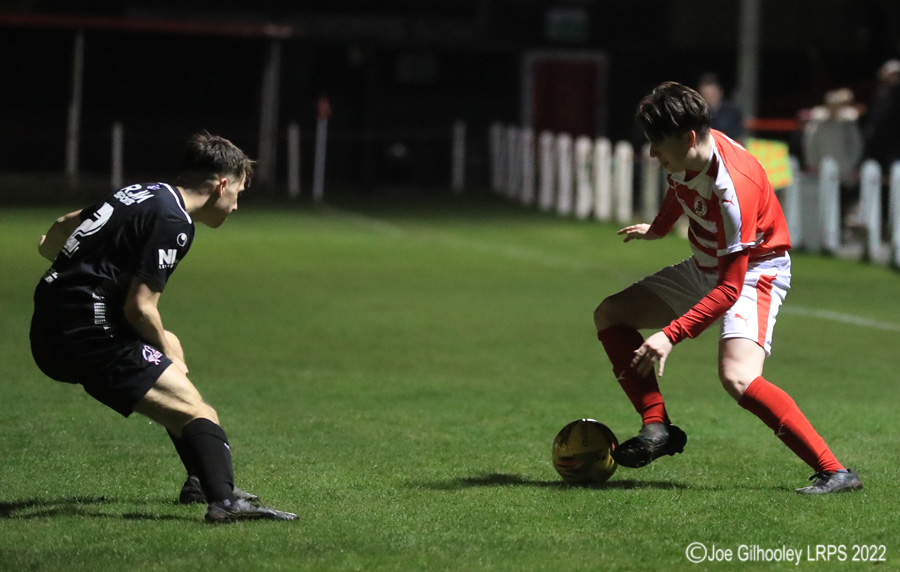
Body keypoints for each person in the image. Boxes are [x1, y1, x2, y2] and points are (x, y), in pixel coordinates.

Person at [593, 82, 862, 494]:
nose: (651, 154)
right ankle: (657, 427)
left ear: (688, 137)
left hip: (755, 272)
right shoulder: (689, 154)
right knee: (610, 314)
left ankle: (835, 471)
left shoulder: (734, 186)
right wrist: (659, 229)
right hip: (706, 264)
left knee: (737, 377)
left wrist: (670, 335)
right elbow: (679, 186)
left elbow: (730, 290)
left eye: (656, 144)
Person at [30, 131, 297, 522]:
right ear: (221, 184)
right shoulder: (175, 220)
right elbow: (140, 307)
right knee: (196, 410)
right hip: (85, 332)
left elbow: (64, 223)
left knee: (174, 361)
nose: (236, 205)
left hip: (56, 321)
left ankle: (199, 481)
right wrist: (167, 350)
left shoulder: (142, 191)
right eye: (238, 192)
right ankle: (224, 503)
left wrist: (56, 257)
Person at [802, 88, 864, 232]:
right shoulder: (818, 122)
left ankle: (840, 232)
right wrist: (813, 164)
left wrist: (850, 164)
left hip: (844, 170)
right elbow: (811, 145)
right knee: (823, 203)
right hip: (821, 170)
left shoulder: (848, 122)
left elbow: (856, 145)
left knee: (843, 203)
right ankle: (823, 233)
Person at [697, 73, 745, 141]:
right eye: (705, 95)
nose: (709, 98)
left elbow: (738, 137)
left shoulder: (732, 113)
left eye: (711, 95)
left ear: (720, 92)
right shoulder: (697, 114)